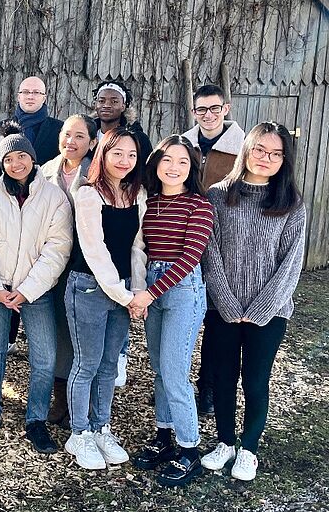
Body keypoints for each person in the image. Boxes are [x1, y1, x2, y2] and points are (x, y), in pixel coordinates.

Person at [201, 122, 305, 482]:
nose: (266, 158)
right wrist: (227, 303)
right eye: (260, 149)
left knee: (256, 380)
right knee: (223, 377)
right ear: (247, 149)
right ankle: (225, 442)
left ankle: (249, 448)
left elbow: (291, 263)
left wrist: (261, 309)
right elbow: (209, 254)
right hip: (223, 308)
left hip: (270, 312)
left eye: (276, 154)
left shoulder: (291, 204)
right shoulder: (218, 196)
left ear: (284, 160)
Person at [0, 123, 73, 453]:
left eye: (22, 156)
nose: (16, 164)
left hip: (35, 291)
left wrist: (27, 290)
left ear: (32, 158)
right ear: (2, 163)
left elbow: (58, 248)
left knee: (45, 356)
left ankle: (36, 419)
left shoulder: (54, 197)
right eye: (9, 159)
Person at [128, 136, 214, 487]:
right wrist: (142, 290)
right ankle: (164, 437)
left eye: (182, 161)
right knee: (160, 371)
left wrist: (148, 294)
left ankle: (189, 449)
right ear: (156, 163)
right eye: (167, 159)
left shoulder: (199, 205)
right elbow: (140, 249)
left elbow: (190, 257)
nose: (174, 167)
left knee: (175, 373)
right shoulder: (148, 201)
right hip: (151, 284)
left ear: (192, 167)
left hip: (183, 291)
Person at [64, 127, 147, 470]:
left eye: (131, 155)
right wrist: (124, 296)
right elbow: (95, 252)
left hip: (123, 290)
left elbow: (138, 247)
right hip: (89, 287)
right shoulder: (88, 194)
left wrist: (137, 292)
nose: (125, 161)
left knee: (110, 364)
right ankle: (79, 433)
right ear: (103, 154)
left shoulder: (136, 194)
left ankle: (101, 428)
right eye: (118, 153)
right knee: (87, 363)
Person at [181, 84, 245, 416]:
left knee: (216, 321)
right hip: (185, 239)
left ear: (226, 109)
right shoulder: (183, 144)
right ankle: (175, 385)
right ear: (194, 112)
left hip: (223, 241)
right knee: (181, 318)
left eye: (214, 108)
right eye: (201, 109)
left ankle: (207, 386)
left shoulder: (241, 148)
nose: (208, 115)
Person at [91, 79, 152, 385]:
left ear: (124, 105)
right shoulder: (89, 132)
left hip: (125, 210)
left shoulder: (137, 138)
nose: (107, 105)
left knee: (124, 269)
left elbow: (145, 174)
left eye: (114, 100)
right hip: (95, 212)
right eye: (102, 100)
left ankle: (121, 354)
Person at [39, 114, 98, 428]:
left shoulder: (97, 172)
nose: (70, 142)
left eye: (79, 136)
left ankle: (81, 402)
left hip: (82, 265)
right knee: (55, 331)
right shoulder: (44, 171)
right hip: (48, 262)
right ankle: (59, 397)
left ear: (92, 142)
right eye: (66, 134)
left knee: (77, 333)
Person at [0, 76, 64, 181]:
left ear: (44, 98)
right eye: (25, 92)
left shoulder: (60, 129)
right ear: (19, 97)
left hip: (46, 188)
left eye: (36, 92)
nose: (30, 96)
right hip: (6, 189)